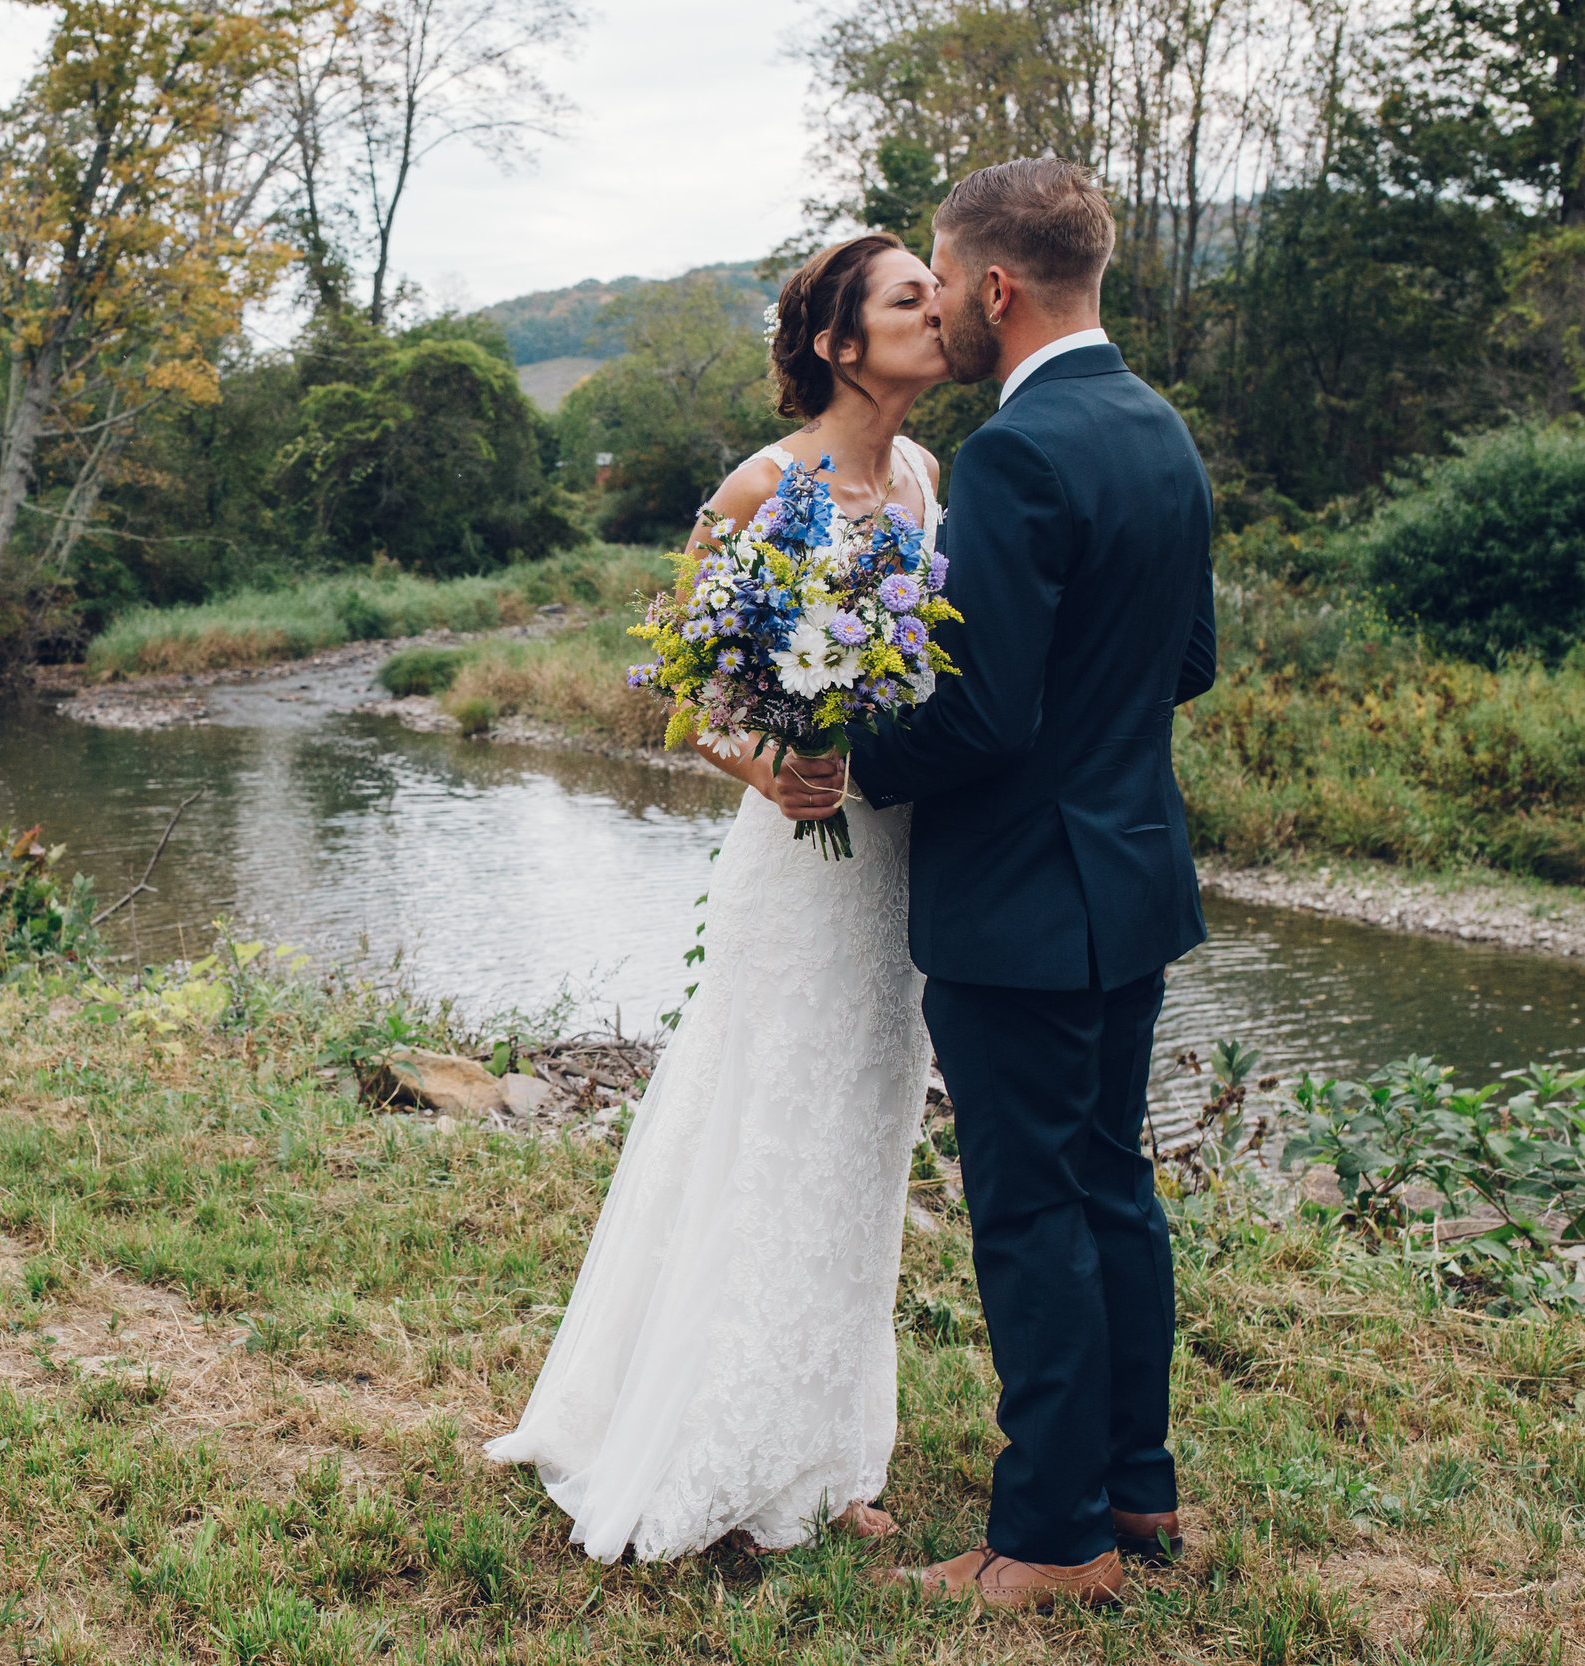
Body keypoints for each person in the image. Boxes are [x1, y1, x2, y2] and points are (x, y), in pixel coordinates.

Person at [770, 158, 1218, 1609]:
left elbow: (980, 714)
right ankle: (1136, 1491)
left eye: (947, 280)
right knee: (1111, 1187)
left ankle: (1047, 1537)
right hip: (1130, 873)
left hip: (1023, 897)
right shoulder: (1159, 431)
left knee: (1032, 1211)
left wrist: (848, 746)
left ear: (997, 287)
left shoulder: (1021, 455)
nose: (941, 304)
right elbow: (1185, 663)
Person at [482, 231, 952, 1561]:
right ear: (839, 344)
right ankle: (719, 1447)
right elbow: (684, 689)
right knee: (768, 1127)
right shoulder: (760, 486)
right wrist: (769, 768)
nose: (937, 313)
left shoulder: (922, 473)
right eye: (909, 300)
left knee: (862, 1142)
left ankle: (833, 1452)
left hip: (900, 859)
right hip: (801, 872)